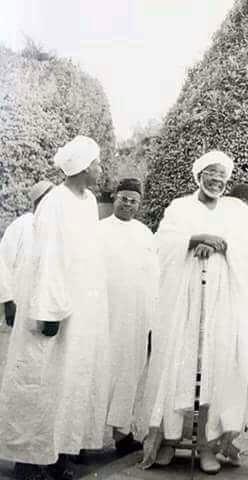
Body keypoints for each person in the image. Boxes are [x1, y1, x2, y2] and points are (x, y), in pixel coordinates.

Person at [136, 150, 248, 474]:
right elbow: (163, 242)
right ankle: (167, 439)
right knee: (177, 364)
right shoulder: (179, 207)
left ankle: (207, 445)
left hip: (220, 300)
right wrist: (195, 239)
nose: (217, 181)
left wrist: (219, 240)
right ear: (198, 176)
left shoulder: (235, 209)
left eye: (222, 176)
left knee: (213, 369)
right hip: (184, 300)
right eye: (211, 174)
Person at [0, 135, 110, 480]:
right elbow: (47, 259)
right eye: (96, 163)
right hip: (51, 309)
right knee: (42, 381)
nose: (100, 168)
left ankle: (60, 454)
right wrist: (47, 311)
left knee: (72, 383)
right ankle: (28, 461)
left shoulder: (89, 200)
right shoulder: (55, 202)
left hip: (83, 309)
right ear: (80, 167)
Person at [99, 177, 157, 455]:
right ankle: (86, 440)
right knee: (99, 374)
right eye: (124, 198)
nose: (128, 204)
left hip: (136, 318)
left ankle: (122, 435)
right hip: (105, 316)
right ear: (115, 198)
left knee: (129, 374)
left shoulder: (146, 233)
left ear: (139, 204)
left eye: (134, 200)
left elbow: (155, 276)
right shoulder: (98, 230)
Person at [0, 180, 54, 321]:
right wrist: (7, 300)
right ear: (39, 201)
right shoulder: (21, 224)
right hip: (19, 300)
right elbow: (3, 263)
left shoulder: (56, 228)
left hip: (44, 307)